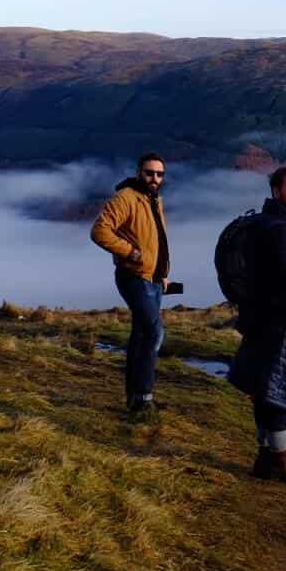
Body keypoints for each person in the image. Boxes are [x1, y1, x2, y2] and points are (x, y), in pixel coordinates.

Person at [228, 164, 286, 482]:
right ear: (276, 191)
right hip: (278, 322)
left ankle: (265, 458)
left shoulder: (265, 223)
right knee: (278, 392)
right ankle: (280, 463)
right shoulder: (281, 229)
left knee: (262, 388)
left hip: (258, 318)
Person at [90, 152, 172, 416]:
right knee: (154, 333)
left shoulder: (154, 199)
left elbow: (156, 238)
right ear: (139, 172)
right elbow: (99, 230)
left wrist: (163, 273)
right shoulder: (126, 198)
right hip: (133, 277)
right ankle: (144, 399)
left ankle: (136, 400)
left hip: (153, 280)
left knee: (140, 338)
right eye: (150, 173)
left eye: (159, 174)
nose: (155, 178)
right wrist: (131, 253)